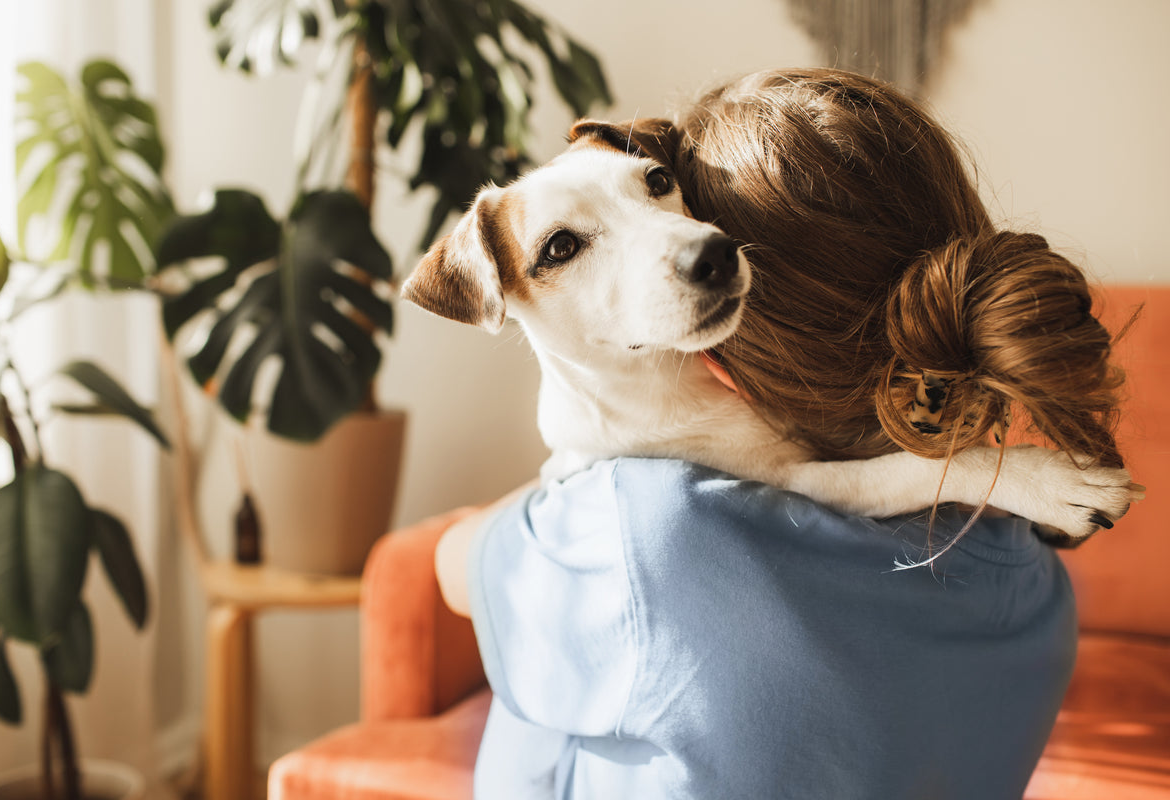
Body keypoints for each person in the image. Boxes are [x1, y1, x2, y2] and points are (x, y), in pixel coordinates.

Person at [435, 68, 1128, 800]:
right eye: (566, 247)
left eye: (658, 184)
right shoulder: (1036, 585)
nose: (686, 241)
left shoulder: (651, 536)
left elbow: (455, 564)